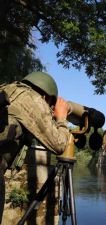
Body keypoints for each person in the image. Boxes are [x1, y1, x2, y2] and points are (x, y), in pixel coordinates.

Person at [0, 71, 71, 223]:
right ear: (46, 96)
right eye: (50, 105)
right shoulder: (33, 99)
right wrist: (62, 119)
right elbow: (59, 144)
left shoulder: (7, 89)